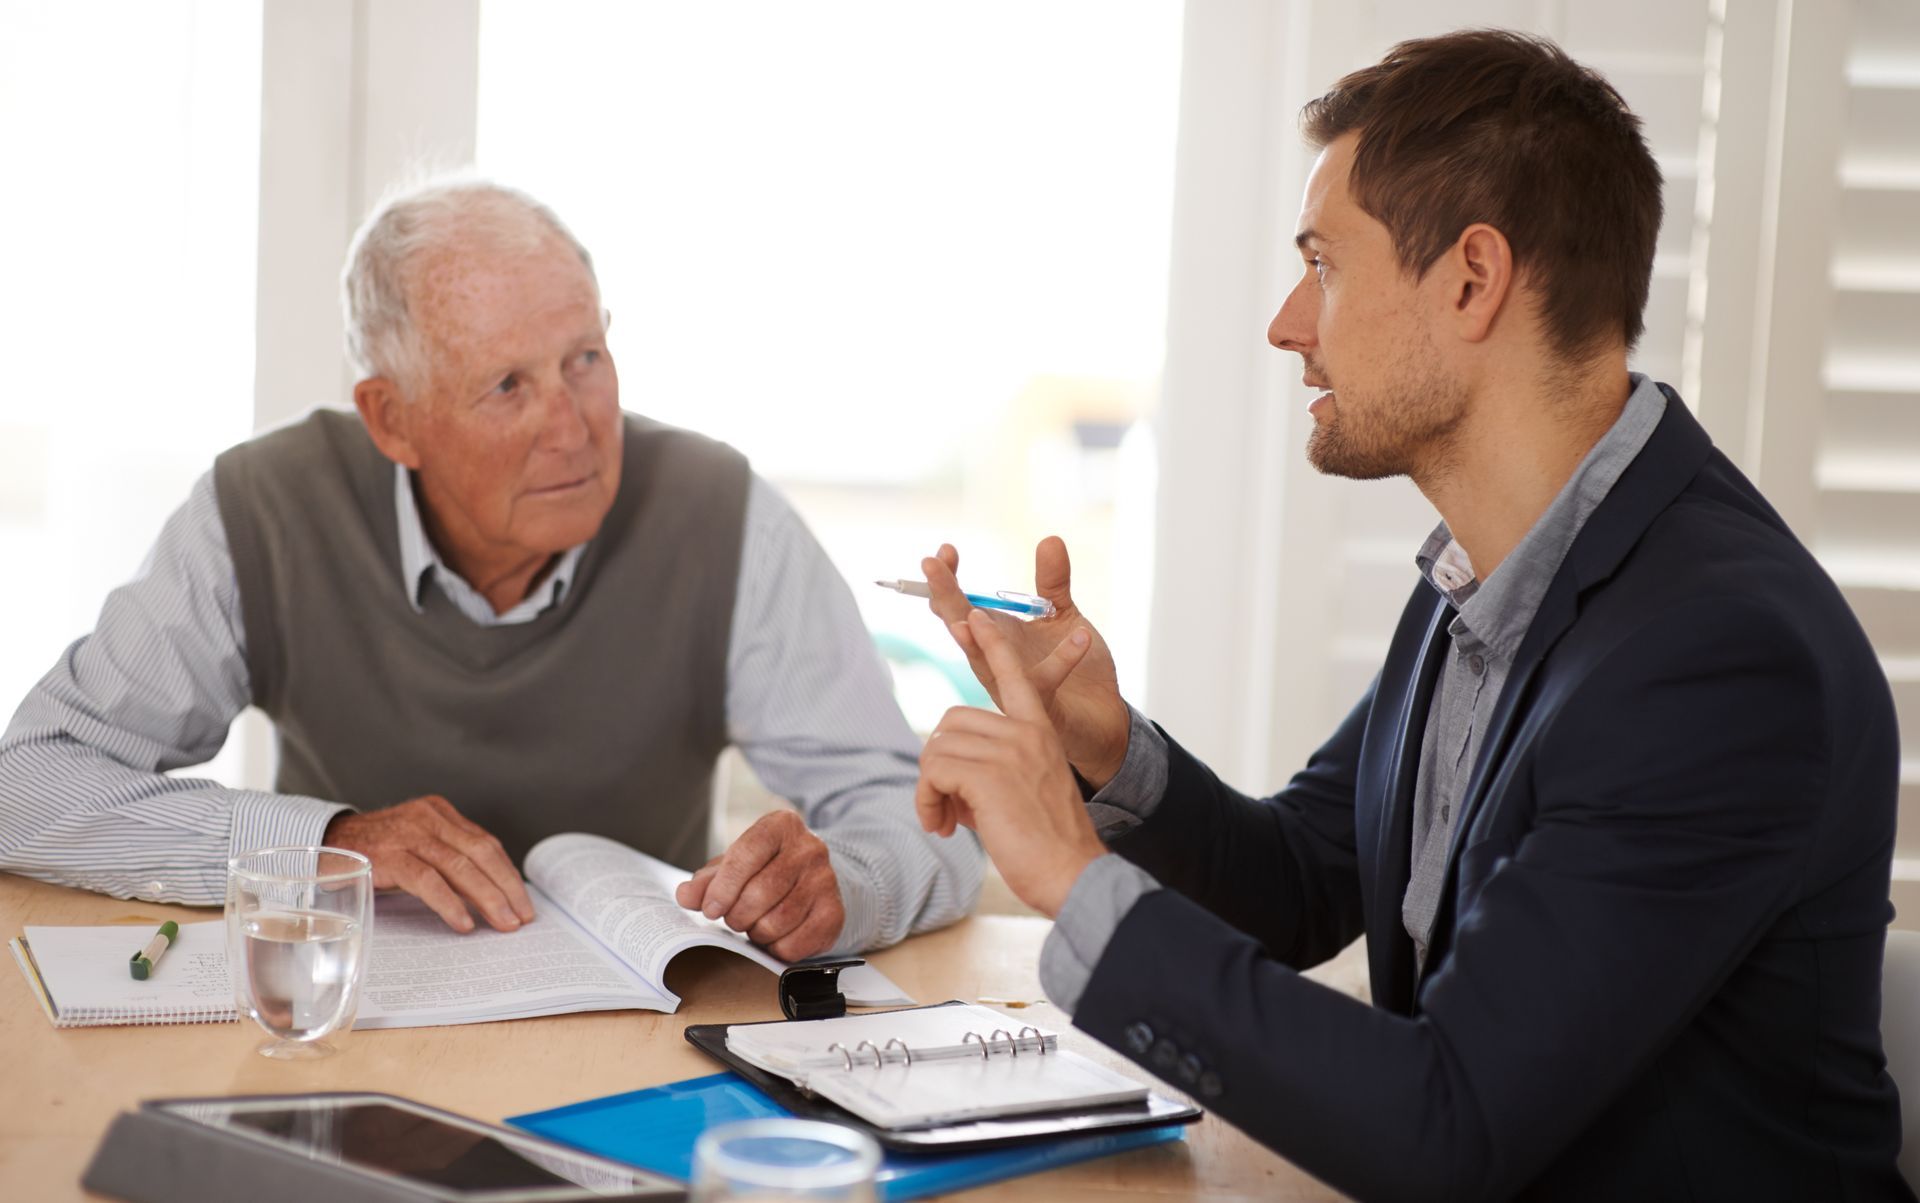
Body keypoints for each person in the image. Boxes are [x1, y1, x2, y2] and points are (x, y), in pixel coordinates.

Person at [912, 30, 1908, 1201]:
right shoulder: (1495, 580)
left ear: (1473, 280)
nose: (1289, 323)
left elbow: (1450, 1128)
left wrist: (1074, 877)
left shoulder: (1717, 661)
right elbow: (1302, 881)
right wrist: (1104, 747)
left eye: (1323, 265)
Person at [0, 180, 980, 962]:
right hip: (348, 1017)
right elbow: (28, 785)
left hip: (640, 1032)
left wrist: (846, 886)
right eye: (508, 385)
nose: (574, 427)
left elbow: (925, 818)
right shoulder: (267, 507)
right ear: (392, 419)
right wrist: (328, 843)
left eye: (586, 357)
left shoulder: (724, 516)